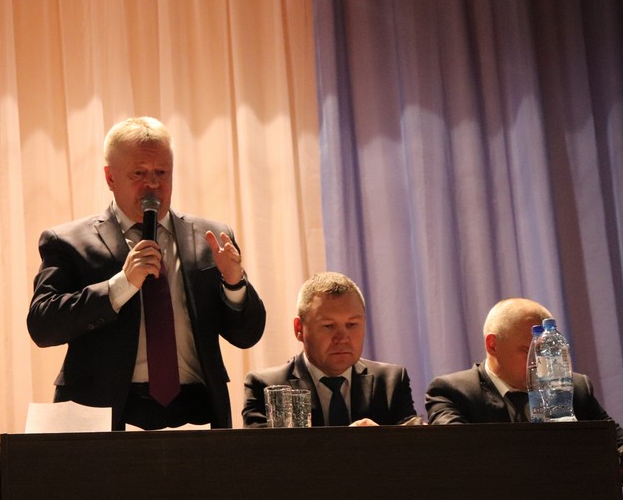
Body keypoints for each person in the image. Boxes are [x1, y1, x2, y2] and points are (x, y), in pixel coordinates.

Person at [27, 116, 266, 430]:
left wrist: (235, 284)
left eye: (161, 172)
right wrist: (121, 285)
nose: (152, 184)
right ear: (110, 177)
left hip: (197, 415)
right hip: (103, 418)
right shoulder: (68, 242)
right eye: (139, 173)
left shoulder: (210, 238)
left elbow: (247, 335)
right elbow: (43, 326)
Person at [425, 297, 623, 500]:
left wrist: (612, 464)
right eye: (527, 351)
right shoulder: (453, 391)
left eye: (545, 352)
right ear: (492, 345)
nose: (539, 363)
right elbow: (458, 458)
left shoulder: (572, 387)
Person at [243, 272, 419, 428]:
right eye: (328, 326)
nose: (342, 338)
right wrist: (352, 443)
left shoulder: (390, 381)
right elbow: (263, 452)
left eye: (352, 325)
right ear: (299, 329)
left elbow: (412, 447)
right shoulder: (267, 387)